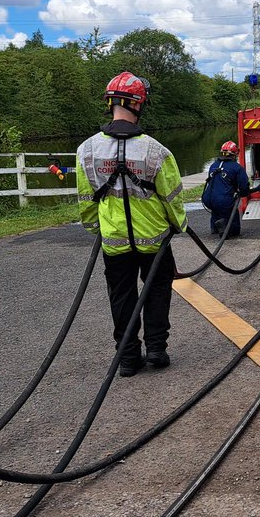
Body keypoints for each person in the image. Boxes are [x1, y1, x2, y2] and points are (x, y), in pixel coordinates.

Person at [76, 71, 188, 377]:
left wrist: (96, 227)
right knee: (157, 289)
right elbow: (172, 198)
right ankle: (156, 350)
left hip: (114, 240)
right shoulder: (156, 151)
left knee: (121, 295)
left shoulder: (86, 151)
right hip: (153, 238)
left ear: (110, 103)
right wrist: (178, 225)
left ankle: (127, 356)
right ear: (140, 105)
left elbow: (86, 200)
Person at [202, 140, 251, 237]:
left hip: (207, 199)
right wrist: (244, 193)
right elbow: (244, 186)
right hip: (223, 200)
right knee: (231, 213)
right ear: (234, 154)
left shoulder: (214, 165)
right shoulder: (236, 168)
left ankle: (215, 227)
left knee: (216, 209)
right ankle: (228, 230)